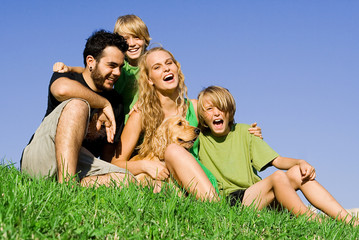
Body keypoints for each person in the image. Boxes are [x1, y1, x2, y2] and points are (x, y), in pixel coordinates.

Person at [111, 47, 262, 201]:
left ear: (177, 68)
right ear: (149, 79)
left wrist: (248, 133)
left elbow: (224, 126)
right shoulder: (140, 114)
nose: (166, 68)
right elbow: (116, 163)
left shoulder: (195, 108)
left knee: (173, 151)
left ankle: (214, 204)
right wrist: (145, 166)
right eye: (157, 67)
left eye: (169, 63)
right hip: (166, 180)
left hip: (202, 182)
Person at [197, 85, 359, 225]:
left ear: (230, 111)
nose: (216, 113)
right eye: (209, 109)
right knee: (277, 177)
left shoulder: (245, 132)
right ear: (203, 116)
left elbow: (277, 160)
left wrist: (300, 162)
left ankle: (349, 221)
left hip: (259, 194)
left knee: (298, 173)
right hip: (233, 200)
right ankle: (312, 220)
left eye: (221, 108)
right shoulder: (199, 139)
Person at [21, 30, 134, 187]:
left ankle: (71, 184)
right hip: (43, 156)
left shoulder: (116, 102)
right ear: (91, 62)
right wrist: (103, 103)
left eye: (120, 67)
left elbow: (107, 159)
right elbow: (61, 90)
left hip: (82, 165)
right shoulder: (68, 77)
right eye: (111, 66)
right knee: (79, 104)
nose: (117, 73)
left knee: (128, 180)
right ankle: (67, 185)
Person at [53, 14, 151, 122]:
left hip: (147, 118)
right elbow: (91, 71)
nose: (132, 43)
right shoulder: (121, 66)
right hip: (124, 122)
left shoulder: (152, 64)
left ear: (145, 39)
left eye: (136, 37)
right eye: (126, 39)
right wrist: (70, 69)